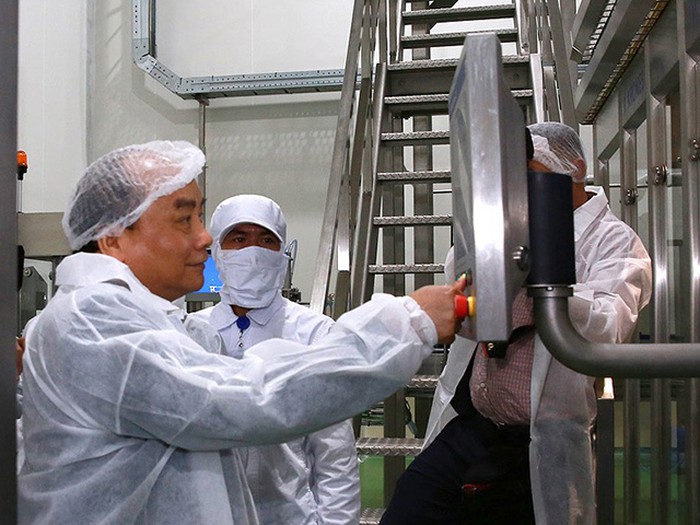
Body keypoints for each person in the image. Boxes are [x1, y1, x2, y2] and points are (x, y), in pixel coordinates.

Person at [17, 140, 464, 525]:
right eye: (184, 219)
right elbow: (245, 400)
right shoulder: (94, 320)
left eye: (202, 218)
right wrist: (406, 323)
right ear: (113, 238)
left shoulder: (152, 320)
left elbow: (324, 450)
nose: (204, 238)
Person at [379, 122, 653, 524]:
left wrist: (540, 275)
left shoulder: (614, 241)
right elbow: (460, 284)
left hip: (542, 440)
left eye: (530, 171)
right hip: (474, 427)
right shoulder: (510, 226)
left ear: (574, 169)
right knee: (410, 508)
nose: (518, 185)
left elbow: (608, 326)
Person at [191, 194, 361, 525]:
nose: (253, 252)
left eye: (267, 240)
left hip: (290, 515)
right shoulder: (193, 333)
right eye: (239, 239)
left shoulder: (315, 333)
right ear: (218, 253)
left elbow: (335, 454)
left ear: (282, 255)